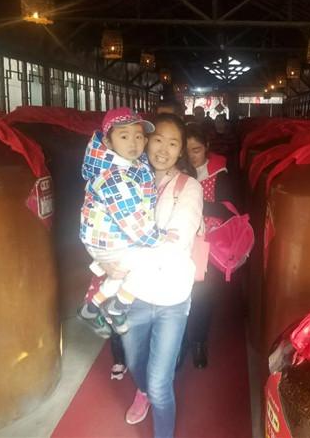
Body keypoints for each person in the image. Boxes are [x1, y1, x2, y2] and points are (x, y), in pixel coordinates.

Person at [102, 113, 203, 438]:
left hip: (172, 298)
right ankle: (142, 391)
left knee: (160, 383)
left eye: (173, 143)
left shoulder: (189, 188)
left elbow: (178, 241)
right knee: (136, 364)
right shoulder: (126, 181)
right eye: (157, 139)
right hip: (134, 296)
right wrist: (104, 258)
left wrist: (124, 257)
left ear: (181, 150)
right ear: (146, 141)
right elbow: (104, 230)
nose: (163, 149)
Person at [78, 107, 176, 336]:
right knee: (152, 263)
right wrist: (159, 237)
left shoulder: (128, 164)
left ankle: (91, 308)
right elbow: (133, 223)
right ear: (108, 142)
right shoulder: (115, 177)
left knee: (122, 272)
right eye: (124, 136)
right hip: (110, 240)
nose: (133, 143)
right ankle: (117, 307)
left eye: (139, 136)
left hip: (111, 237)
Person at [183, 123, 235, 368]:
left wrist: (195, 203)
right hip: (181, 241)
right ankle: (181, 340)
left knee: (202, 296)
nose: (192, 156)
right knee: (180, 293)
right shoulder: (177, 171)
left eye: (196, 150)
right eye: (187, 151)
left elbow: (229, 210)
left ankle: (198, 341)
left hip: (207, 245)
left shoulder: (218, 174)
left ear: (206, 148)